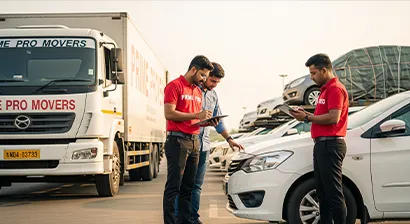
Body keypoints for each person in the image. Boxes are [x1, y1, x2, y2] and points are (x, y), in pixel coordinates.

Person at [174, 62, 244, 224]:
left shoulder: (213, 95)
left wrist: (229, 139)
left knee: (196, 186)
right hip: (188, 143)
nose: (214, 85)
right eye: (212, 81)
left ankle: (193, 218)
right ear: (205, 76)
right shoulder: (191, 91)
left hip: (204, 145)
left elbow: (218, 121)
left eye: (217, 83)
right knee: (184, 186)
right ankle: (179, 218)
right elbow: (181, 115)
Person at [290, 53, 349, 224]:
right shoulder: (324, 91)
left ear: (324, 70)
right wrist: (304, 114)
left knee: (333, 193)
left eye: (314, 73)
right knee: (322, 193)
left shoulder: (335, 89)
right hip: (322, 145)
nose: (312, 77)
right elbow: (323, 116)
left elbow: (333, 118)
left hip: (331, 145)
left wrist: (307, 118)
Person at [162, 55, 215, 224]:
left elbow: (193, 119)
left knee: (188, 189)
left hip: (194, 141)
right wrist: (196, 115)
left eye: (206, 76)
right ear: (193, 69)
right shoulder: (174, 86)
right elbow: (169, 114)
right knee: (174, 188)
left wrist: (207, 122)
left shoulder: (198, 91)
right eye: (202, 75)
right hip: (177, 141)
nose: (204, 79)